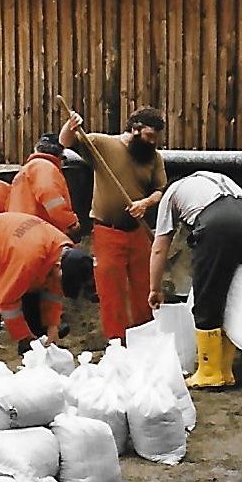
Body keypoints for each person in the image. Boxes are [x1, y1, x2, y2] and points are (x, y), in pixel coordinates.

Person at [59, 107, 167, 343]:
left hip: (138, 232)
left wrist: (145, 203)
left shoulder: (154, 157)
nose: (153, 142)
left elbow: (160, 190)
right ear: (135, 129)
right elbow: (65, 141)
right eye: (149, 136)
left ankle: (145, 340)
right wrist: (71, 124)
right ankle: (116, 344)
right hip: (107, 231)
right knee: (111, 292)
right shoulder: (102, 145)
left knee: (143, 288)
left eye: (156, 138)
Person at [148, 171, 242, 388]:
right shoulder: (215, 178)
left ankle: (209, 372)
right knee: (235, 295)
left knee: (207, 294)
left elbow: (159, 248)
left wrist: (154, 288)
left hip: (217, 224)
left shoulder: (171, 193)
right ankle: (226, 370)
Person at [0, 212, 93, 362]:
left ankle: (35, 350)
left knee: (34, 294)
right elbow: (6, 300)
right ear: (59, 267)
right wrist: (24, 336)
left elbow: (53, 291)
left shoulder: (64, 252)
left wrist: (52, 326)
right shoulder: (29, 259)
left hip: (9, 245)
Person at [7, 133, 81, 239]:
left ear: (36, 150)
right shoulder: (44, 167)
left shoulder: (26, 170)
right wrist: (70, 223)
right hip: (37, 234)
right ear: (60, 156)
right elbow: (51, 197)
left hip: (21, 233)